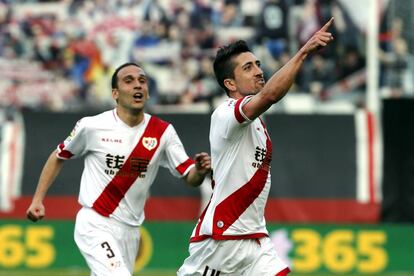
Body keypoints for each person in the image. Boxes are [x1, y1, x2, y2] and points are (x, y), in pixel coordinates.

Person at [178, 18, 334, 276]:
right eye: (248, 68)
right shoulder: (226, 114)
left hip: (255, 240)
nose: (259, 71)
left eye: (258, 64)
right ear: (230, 83)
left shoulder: (258, 125)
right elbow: (271, 96)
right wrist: (304, 51)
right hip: (222, 240)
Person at [26, 62, 211, 276]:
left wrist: (199, 170)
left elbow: (190, 176)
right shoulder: (92, 126)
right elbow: (59, 156)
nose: (137, 86)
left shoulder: (162, 132)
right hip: (95, 222)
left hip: (131, 231)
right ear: (115, 93)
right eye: (129, 81)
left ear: (148, 92)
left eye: (142, 81)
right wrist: (37, 199)